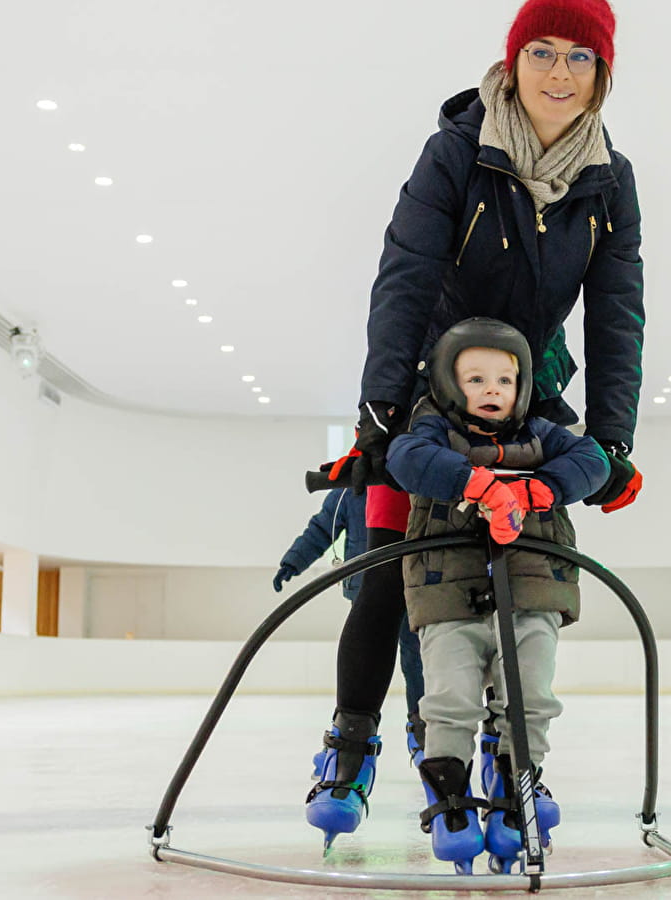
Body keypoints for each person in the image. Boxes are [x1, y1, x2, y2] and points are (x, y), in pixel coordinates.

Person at [307, 0, 646, 848]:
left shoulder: (609, 179)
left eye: (579, 57)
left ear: (601, 74)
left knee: (523, 573)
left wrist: (611, 438)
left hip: (523, 394)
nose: (559, 73)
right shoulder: (457, 150)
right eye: (542, 52)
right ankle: (352, 742)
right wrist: (384, 411)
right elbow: (406, 271)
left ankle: (507, 746)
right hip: (427, 394)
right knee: (392, 569)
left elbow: (616, 310)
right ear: (512, 60)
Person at [386, 318, 608, 873]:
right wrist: (474, 482)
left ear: (523, 386)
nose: (491, 390)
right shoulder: (432, 432)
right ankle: (450, 797)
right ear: (447, 384)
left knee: (530, 695)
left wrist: (541, 487)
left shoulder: (542, 433)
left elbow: (593, 462)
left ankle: (518, 784)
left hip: (532, 587)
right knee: (450, 699)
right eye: (475, 379)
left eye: (504, 380)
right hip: (447, 590)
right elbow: (405, 458)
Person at [272, 488, 425, 769]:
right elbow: (320, 530)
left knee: (418, 662)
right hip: (368, 592)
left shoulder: (413, 485)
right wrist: (293, 561)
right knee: (361, 668)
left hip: (416, 589)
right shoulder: (346, 494)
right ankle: (347, 741)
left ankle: (423, 733)